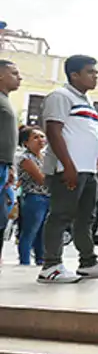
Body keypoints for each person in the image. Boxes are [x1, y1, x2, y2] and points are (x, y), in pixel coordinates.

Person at [39, 55, 98, 284]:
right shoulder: (60, 96)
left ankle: (88, 262)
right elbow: (54, 131)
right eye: (91, 72)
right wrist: (68, 165)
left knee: (86, 218)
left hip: (88, 170)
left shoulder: (86, 101)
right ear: (74, 75)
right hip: (68, 168)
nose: (96, 76)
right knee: (61, 215)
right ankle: (50, 265)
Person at [15, 127, 48, 267]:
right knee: (29, 231)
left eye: (42, 136)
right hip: (34, 197)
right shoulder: (26, 158)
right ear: (26, 142)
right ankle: (25, 262)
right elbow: (42, 179)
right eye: (35, 137)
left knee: (42, 233)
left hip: (46, 197)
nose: (41, 140)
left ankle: (41, 260)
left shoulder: (44, 157)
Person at [0, 60, 22, 234]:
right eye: (14, 73)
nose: (19, 78)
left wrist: (10, 166)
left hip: (4, 166)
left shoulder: (6, 101)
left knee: (2, 216)